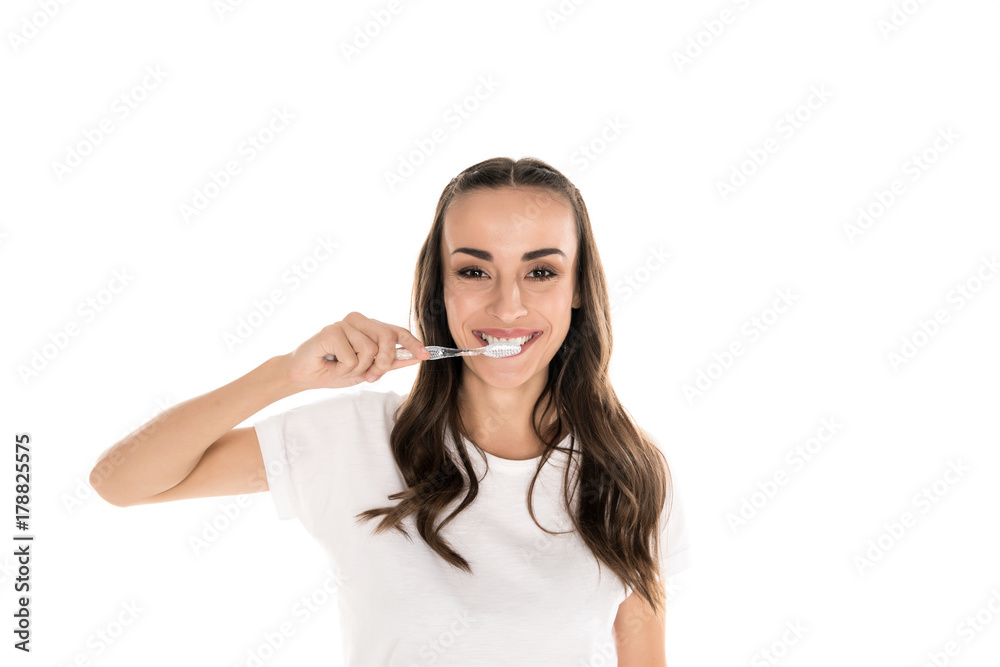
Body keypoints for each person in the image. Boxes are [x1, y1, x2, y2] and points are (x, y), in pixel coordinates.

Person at [90, 156, 691, 666]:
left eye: (540, 272)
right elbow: (120, 481)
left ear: (578, 287)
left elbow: (642, 652)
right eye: (474, 271)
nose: (508, 306)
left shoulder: (631, 470)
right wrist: (285, 374)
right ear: (440, 288)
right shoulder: (350, 439)